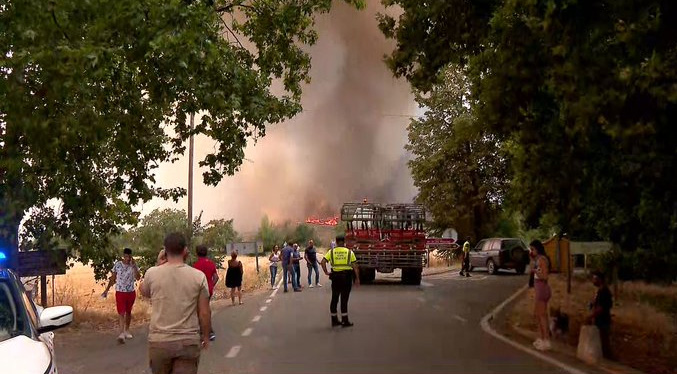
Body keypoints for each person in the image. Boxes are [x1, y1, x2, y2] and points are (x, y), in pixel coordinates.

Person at [140, 232, 211, 374]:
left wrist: (157, 264)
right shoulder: (198, 276)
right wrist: (205, 336)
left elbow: (143, 292)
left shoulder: (152, 273)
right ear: (185, 250)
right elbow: (204, 312)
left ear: (165, 251)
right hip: (188, 341)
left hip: (159, 342)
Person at [102, 247, 141, 344]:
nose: (127, 258)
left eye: (129, 256)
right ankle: (121, 333)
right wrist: (106, 290)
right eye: (126, 256)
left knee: (128, 312)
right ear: (123, 256)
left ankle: (127, 330)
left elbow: (138, 277)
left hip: (130, 291)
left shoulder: (133, 266)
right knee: (121, 313)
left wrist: (134, 266)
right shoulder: (118, 265)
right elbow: (113, 278)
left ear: (131, 257)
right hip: (120, 291)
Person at [321, 235, 359, 327]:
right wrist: (357, 278)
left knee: (334, 298)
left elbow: (323, 262)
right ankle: (345, 320)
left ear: (337, 242)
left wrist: (326, 272)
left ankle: (334, 320)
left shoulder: (331, 252)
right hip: (346, 277)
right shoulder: (350, 252)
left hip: (335, 277)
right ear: (344, 241)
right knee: (344, 299)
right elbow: (355, 266)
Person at [192, 245, 219, 341]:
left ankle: (205, 332)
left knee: (200, 311)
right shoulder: (211, 264)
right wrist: (211, 285)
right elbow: (216, 277)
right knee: (206, 309)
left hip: (199, 290)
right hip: (209, 290)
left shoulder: (195, 265)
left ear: (197, 253)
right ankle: (209, 331)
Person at [530, 239, 552, 351]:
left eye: (532, 249)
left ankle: (546, 340)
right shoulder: (537, 259)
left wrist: (535, 271)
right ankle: (541, 338)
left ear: (537, 249)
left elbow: (544, 276)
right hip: (539, 288)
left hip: (542, 289)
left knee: (542, 316)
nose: (531, 251)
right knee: (539, 315)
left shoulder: (542, 259)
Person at [588, 271, 613, 359]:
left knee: (603, 341)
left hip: (603, 320)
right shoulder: (600, 291)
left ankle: (608, 359)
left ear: (600, 280)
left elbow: (601, 308)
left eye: (595, 279)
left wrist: (591, 316)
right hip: (600, 320)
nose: (593, 281)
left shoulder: (604, 292)